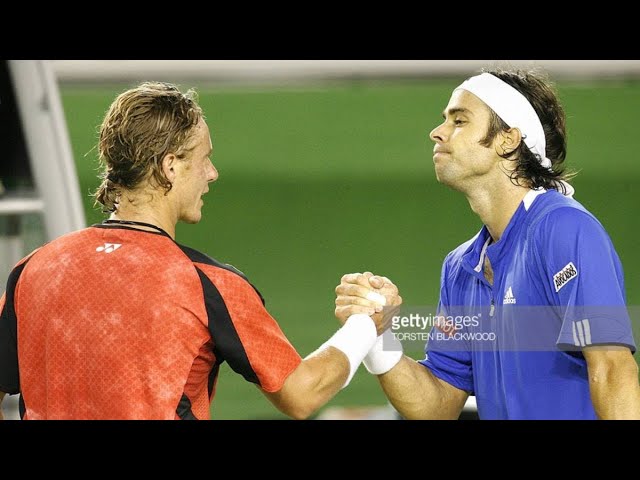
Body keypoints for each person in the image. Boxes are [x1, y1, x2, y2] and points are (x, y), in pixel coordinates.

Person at [0, 81, 399, 420]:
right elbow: (302, 394)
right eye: (204, 158)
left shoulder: (31, 270)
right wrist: (366, 323)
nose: (212, 173)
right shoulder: (208, 284)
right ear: (170, 166)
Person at [335, 68, 640, 419]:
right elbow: (438, 405)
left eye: (459, 121)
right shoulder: (459, 267)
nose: (437, 132)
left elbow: (613, 369)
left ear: (507, 139)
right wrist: (379, 335)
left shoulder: (564, 227)